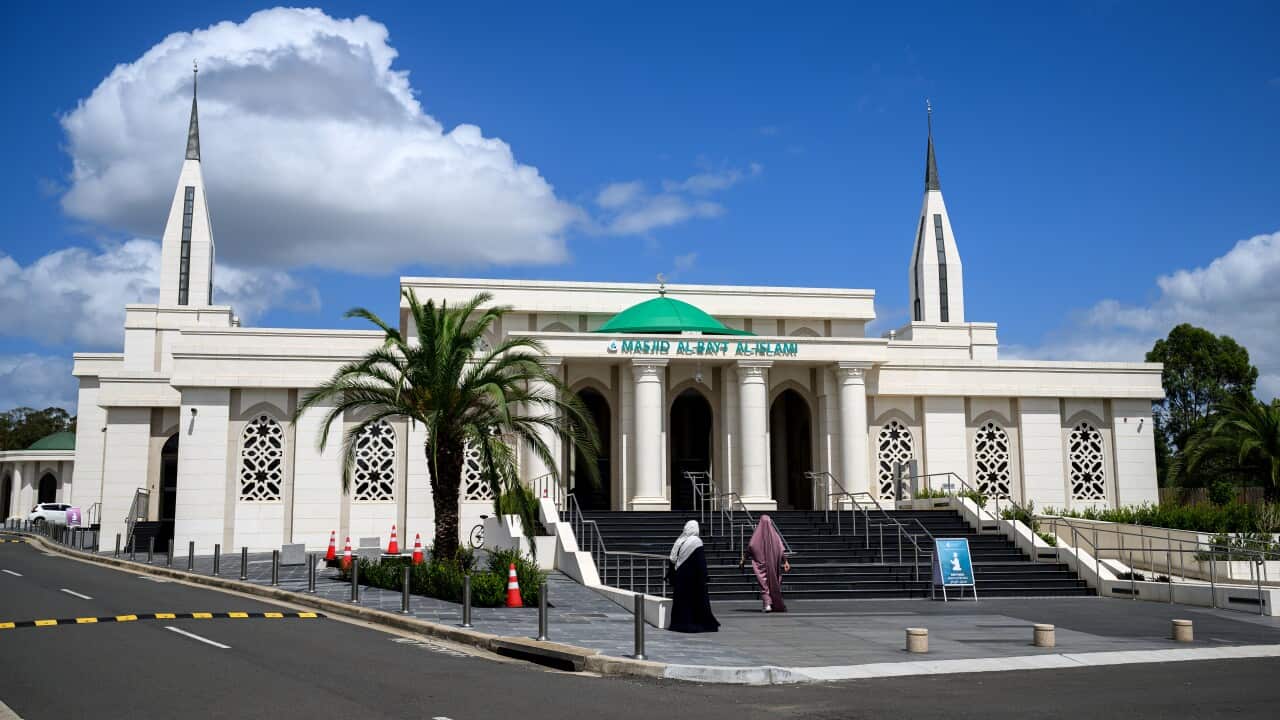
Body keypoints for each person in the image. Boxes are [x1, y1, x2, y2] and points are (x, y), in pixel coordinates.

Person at [666, 520, 719, 633]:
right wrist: (704, 575)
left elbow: (672, 559)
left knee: (681, 602)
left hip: (680, 576)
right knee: (695, 601)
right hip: (693, 579)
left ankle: (678, 624)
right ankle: (695, 624)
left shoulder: (679, 540)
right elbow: (701, 562)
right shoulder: (696, 541)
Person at [747, 514, 790, 613]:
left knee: (764, 584)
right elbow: (780, 549)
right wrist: (786, 561)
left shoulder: (757, 535)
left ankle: (767, 604)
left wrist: (744, 559)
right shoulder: (775, 535)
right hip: (773, 564)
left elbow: (751, 546)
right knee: (774, 583)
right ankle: (774, 603)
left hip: (761, 564)